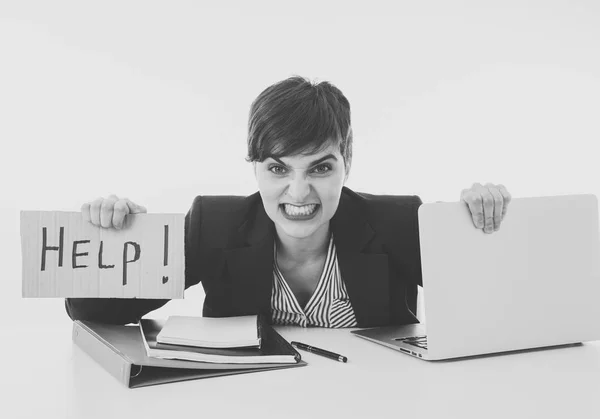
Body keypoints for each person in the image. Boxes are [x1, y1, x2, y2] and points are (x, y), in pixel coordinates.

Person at [65, 76, 511, 328]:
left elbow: (500, 309)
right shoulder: (214, 225)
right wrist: (111, 239)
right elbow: (92, 313)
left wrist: (482, 226)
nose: (298, 193)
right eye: (279, 169)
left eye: (320, 168)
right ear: (255, 167)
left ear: (347, 160)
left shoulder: (398, 222)